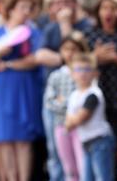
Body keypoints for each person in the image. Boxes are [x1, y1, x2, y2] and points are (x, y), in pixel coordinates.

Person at [0, 0, 44, 181]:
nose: (26, 12)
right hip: (1, 89)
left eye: (29, 8)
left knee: (23, 139)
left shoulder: (32, 33)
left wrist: (9, 64)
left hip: (24, 88)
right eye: (22, 8)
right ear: (10, 10)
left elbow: (35, 59)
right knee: (4, 139)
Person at [36, 0, 91, 181]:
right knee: (56, 153)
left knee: (80, 154)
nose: (63, 7)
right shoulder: (50, 28)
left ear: (75, 3)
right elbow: (41, 55)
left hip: (82, 106)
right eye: (58, 3)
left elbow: (81, 56)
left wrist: (66, 24)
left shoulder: (86, 26)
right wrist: (63, 58)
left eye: (67, 2)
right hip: (56, 106)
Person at [85, 0, 117, 139]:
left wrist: (116, 58)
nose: (108, 12)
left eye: (113, 8)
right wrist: (96, 57)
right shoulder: (88, 36)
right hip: (95, 96)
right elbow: (78, 63)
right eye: (104, 8)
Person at [43, 31, 89, 181]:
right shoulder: (56, 76)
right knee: (62, 162)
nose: (69, 54)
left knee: (82, 163)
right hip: (60, 125)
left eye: (74, 49)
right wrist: (68, 104)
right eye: (66, 49)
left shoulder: (86, 73)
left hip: (81, 125)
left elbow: (88, 100)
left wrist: (64, 101)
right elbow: (50, 102)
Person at [65, 53, 116, 181]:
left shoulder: (94, 94)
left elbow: (79, 119)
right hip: (86, 142)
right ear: (72, 73)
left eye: (87, 69)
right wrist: (72, 121)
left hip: (100, 141)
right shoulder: (74, 95)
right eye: (78, 69)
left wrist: (73, 120)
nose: (82, 73)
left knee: (102, 177)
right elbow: (67, 124)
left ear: (94, 73)